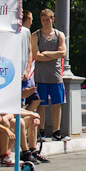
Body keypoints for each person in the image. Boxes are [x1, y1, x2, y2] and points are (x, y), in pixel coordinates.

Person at [30, 8, 69, 141]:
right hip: (41, 76)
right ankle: (41, 131)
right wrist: (53, 55)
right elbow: (36, 55)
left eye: (48, 19)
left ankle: (56, 131)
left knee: (57, 103)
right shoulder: (36, 35)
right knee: (41, 104)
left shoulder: (59, 35)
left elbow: (63, 53)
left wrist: (45, 53)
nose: (46, 22)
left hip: (56, 74)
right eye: (43, 20)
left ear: (52, 19)